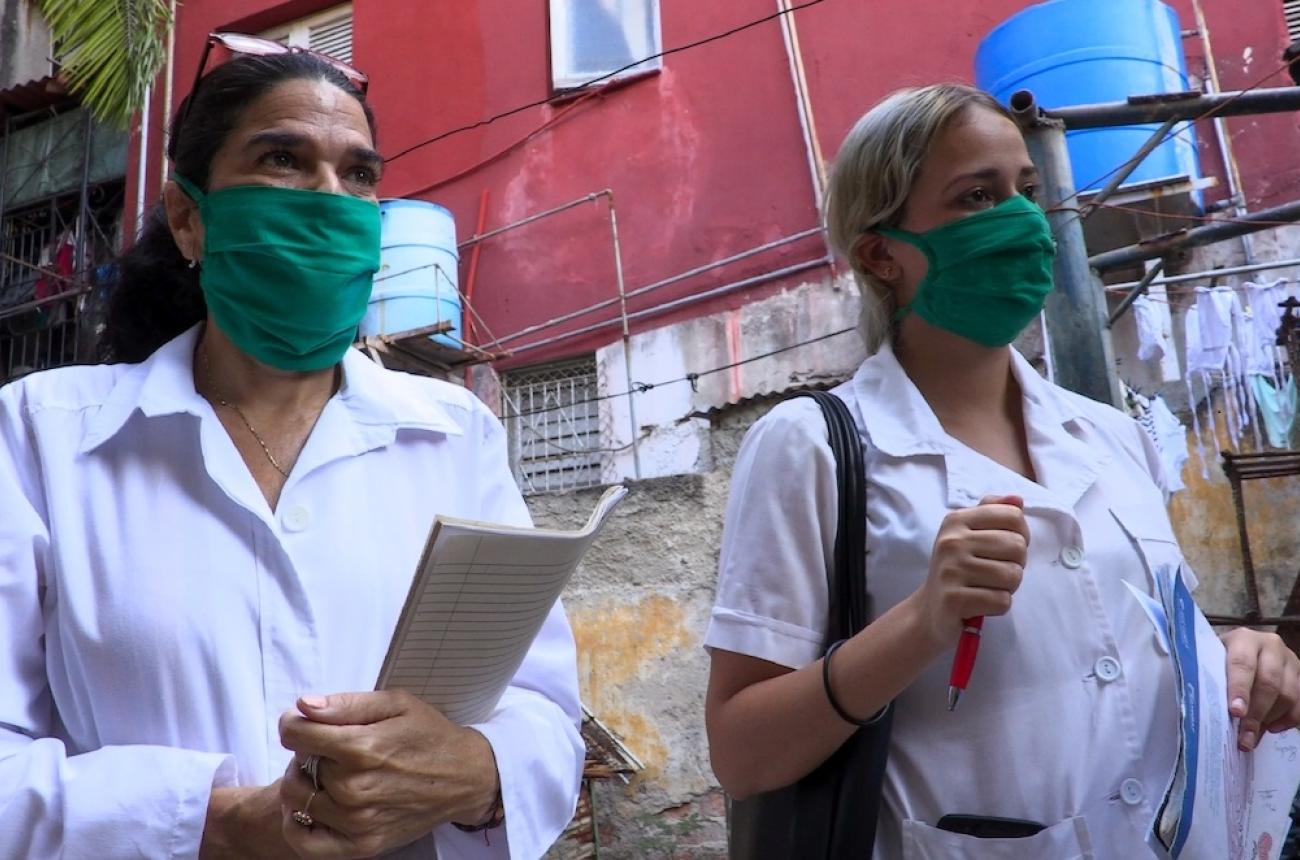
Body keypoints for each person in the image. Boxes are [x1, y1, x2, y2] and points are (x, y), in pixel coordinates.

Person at [0, 35, 583, 860]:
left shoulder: (455, 435)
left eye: (360, 175)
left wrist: (479, 772)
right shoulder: (38, 437)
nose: (331, 199)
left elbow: (546, 712)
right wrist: (214, 823)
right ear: (189, 217)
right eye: (283, 159)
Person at [703, 83, 1300, 858]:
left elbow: (1144, 650)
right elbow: (742, 754)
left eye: (1027, 190)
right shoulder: (812, 446)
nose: (1022, 221)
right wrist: (920, 623)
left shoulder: (1112, 436)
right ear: (882, 253)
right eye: (976, 197)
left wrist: (1243, 657)